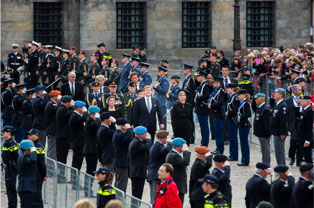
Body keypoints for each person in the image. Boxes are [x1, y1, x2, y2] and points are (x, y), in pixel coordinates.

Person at [148, 130, 172, 204]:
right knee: (155, 197)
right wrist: (169, 143)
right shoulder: (158, 146)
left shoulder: (155, 145)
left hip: (152, 174)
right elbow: (166, 151)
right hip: (156, 174)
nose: (166, 139)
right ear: (161, 139)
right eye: (165, 138)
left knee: (153, 196)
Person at [165, 138, 191, 205]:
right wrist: (186, 151)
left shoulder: (172, 154)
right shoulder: (174, 155)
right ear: (179, 146)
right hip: (177, 185)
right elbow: (186, 162)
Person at [69, 100, 88, 188]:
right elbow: (83, 119)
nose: (84, 109)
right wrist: (85, 112)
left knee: (77, 163)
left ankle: (75, 181)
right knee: (76, 163)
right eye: (82, 107)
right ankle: (74, 182)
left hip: (79, 142)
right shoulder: (75, 116)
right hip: (78, 143)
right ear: (78, 108)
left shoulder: (76, 116)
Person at [129, 126, 152, 200]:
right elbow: (146, 148)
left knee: (137, 194)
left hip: (137, 172)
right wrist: (149, 140)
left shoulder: (136, 141)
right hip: (138, 172)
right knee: (137, 195)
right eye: (145, 134)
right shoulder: (136, 142)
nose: (146, 135)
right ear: (140, 135)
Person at [27, 129, 48, 208]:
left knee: (37, 195)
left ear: (36, 135)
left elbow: (41, 162)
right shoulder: (30, 145)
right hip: (31, 173)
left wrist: (44, 174)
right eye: (28, 134)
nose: (28, 136)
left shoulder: (39, 147)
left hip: (37, 174)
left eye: (30, 134)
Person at [112, 118, 134, 192]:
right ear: (123, 126)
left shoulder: (118, 134)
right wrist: (130, 129)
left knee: (118, 183)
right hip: (121, 163)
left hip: (119, 162)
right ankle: (119, 202)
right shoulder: (119, 135)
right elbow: (130, 138)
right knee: (121, 185)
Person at [84, 105, 101, 196]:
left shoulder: (90, 120)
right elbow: (95, 125)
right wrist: (97, 118)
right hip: (91, 150)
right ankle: (87, 190)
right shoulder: (90, 121)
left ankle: (88, 189)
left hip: (92, 149)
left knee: (91, 170)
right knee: (90, 170)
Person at [1, 126, 19, 208]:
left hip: (11, 168)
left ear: (9, 133)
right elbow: (4, 155)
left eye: (4, 132)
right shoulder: (6, 142)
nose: (2, 133)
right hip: (7, 167)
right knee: (9, 188)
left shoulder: (12, 143)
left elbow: (16, 155)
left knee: (11, 188)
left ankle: (12, 206)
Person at [270, 88, 288, 165]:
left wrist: (283, 133)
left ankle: (282, 167)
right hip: (276, 131)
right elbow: (271, 106)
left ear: (281, 94)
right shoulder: (277, 104)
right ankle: (280, 166)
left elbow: (283, 121)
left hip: (279, 132)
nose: (274, 94)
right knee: (278, 151)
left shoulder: (282, 105)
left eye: (276, 93)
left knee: (280, 151)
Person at [17, 140, 37, 208]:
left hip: (25, 187)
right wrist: (34, 151)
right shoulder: (24, 157)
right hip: (26, 188)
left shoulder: (22, 156)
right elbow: (33, 160)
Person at [208, 77, 226, 155]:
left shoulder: (221, 91)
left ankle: (220, 149)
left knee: (219, 132)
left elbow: (220, 102)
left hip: (218, 113)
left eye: (214, 82)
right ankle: (218, 147)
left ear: (218, 82)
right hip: (214, 114)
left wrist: (211, 105)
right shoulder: (216, 91)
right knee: (216, 132)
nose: (213, 84)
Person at [253, 93, 271, 164]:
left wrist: (267, 133)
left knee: (265, 149)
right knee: (263, 149)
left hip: (264, 133)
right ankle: (265, 162)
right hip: (260, 133)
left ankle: (266, 163)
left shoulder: (265, 109)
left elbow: (267, 123)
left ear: (262, 99)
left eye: (256, 99)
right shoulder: (259, 107)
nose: (255, 101)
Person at [286, 84, 302, 165]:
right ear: (294, 91)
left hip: (301, 123)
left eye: (300, 89)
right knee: (294, 140)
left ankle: (299, 160)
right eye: (299, 90)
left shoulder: (303, 99)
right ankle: (292, 156)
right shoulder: (288, 100)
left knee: (300, 141)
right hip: (293, 123)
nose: (300, 91)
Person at [55, 95, 74, 165]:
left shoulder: (62, 108)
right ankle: (60, 174)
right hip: (62, 137)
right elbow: (69, 114)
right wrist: (73, 107)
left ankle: (61, 173)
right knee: (61, 158)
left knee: (63, 157)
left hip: (63, 136)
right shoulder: (62, 109)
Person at [194, 70, 211, 147]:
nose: (197, 77)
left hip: (203, 108)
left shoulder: (205, 85)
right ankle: (203, 141)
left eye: (198, 76)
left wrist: (198, 98)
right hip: (200, 108)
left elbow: (206, 96)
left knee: (204, 127)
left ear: (202, 77)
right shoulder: (202, 84)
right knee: (202, 127)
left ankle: (205, 143)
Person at [236, 89, 252, 166]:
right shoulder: (242, 103)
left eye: (240, 95)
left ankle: (245, 160)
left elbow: (249, 114)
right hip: (241, 124)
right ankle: (244, 159)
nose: (239, 96)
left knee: (244, 143)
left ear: (244, 95)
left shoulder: (246, 103)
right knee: (243, 143)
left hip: (244, 124)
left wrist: (241, 117)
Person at [225, 83, 240, 161]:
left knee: (233, 138)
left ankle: (234, 155)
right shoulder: (231, 97)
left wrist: (228, 112)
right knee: (232, 137)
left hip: (232, 119)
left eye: (228, 88)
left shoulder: (235, 97)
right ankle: (232, 154)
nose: (227, 90)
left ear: (232, 89)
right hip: (230, 119)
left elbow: (236, 109)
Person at [45, 90, 61, 160]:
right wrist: (60, 102)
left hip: (54, 129)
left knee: (52, 148)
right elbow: (56, 109)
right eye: (57, 96)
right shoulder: (50, 104)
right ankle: (50, 164)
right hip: (52, 129)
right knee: (52, 149)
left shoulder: (53, 103)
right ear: (54, 97)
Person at [297, 96, 313, 164]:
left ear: (307, 101)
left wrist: (307, 140)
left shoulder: (309, 111)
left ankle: (310, 171)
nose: (300, 102)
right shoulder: (304, 110)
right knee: (305, 155)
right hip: (302, 136)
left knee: (308, 156)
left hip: (306, 137)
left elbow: (309, 127)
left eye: (302, 101)